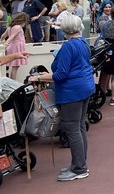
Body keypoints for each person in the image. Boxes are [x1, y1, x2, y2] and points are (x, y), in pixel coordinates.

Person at [28, 15, 94, 181]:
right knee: (79, 127)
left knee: (72, 129)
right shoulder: (83, 42)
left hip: (72, 91)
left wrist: (39, 77)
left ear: (65, 29)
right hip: (85, 87)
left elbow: (60, 75)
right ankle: (79, 164)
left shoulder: (68, 46)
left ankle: (79, 168)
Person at [0, 13, 29, 79]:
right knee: (15, 67)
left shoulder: (10, 27)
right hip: (16, 47)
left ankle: (12, 81)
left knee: (14, 67)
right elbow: (12, 36)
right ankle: (13, 81)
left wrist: (2, 42)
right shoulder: (18, 27)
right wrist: (5, 44)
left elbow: (3, 36)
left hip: (12, 46)